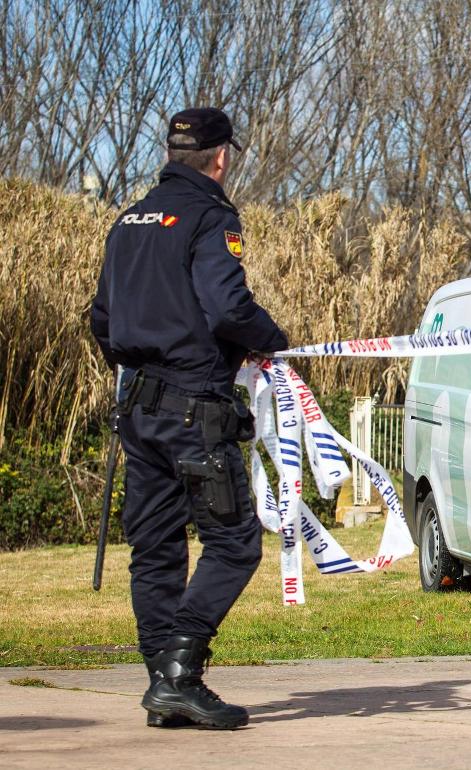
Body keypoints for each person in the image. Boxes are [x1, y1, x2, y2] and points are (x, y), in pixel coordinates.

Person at [91, 108, 289, 730]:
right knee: (234, 545)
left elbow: (100, 318)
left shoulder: (128, 221)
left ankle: (162, 684)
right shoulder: (210, 216)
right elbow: (229, 309)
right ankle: (179, 671)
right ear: (222, 158)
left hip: (138, 407)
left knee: (154, 550)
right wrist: (270, 338)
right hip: (193, 410)